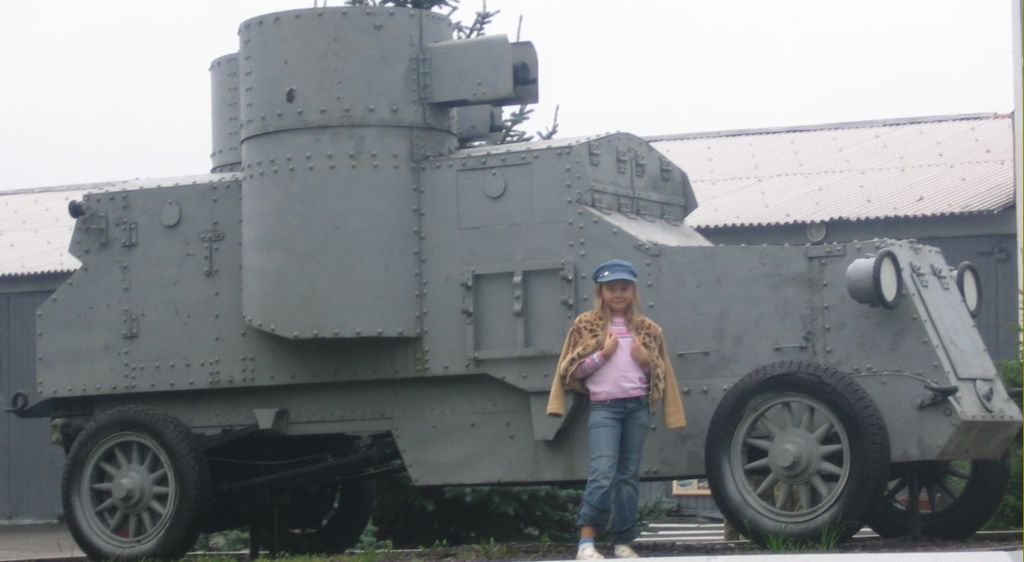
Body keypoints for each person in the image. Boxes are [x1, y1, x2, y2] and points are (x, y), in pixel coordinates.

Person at [547, 259, 686, 560]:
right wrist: (603, 355)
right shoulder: (586, 325)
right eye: (611, 288)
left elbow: (659, 376)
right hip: (604, 409)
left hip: (637, 408)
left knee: (628, 476)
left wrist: (645, 360)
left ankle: (623, 541)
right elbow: (571, 370)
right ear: (601, 291)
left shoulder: (648, 330)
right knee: (602, 472)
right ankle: (586, 542)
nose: (618, 293)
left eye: (624, 287)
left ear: (633, 291)